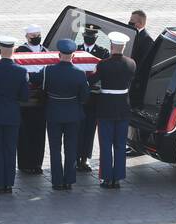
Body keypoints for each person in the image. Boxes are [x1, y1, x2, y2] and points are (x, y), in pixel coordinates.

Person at [0, 36, 30, 194]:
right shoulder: (22, 71)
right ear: (14, 51)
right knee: (10, 150)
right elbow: (24, 96)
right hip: (12, 115)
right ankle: (9, 184)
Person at [43, 38, 91, 191]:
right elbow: (84, 97)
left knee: (55, 149)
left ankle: (57, 181)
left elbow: (39, 84)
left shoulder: (48, 70)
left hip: (54, 114)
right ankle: (69, 180)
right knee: (71, 148)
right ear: (73, 55)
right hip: (73, 115)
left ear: (59, 54)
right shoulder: (80, 74)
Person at [95, 32, 136, 188]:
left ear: (111, 46)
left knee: (105, 144)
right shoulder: (131, 63)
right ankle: (117, 178)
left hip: (106, 109)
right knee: (119, 144)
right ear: (124, 47)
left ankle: (106, 178)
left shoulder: (103, 64)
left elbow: (94, 80)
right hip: (123, 108)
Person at [16, 26, 49, 174]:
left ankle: (37, 163)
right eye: (33, 35)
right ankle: (24, 163)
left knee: (39, 133)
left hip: (41, 99)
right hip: (25, 100)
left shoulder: (46, 52)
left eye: (38, 35)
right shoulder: (20, 51)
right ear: (27, 37)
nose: (36, 37)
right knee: (24, 133)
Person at [78, 24, 110, 172]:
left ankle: (85, 158)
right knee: (76, 128)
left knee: (90, 129)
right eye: (87, 35)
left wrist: (88, 82)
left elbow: (103, 74)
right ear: (83, 35)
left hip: (93, 97)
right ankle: (74, 157)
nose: (89, 38)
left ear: (96, 37)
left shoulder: (103, 53)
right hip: (78, 97)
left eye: (92, 36)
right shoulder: (76, 50)